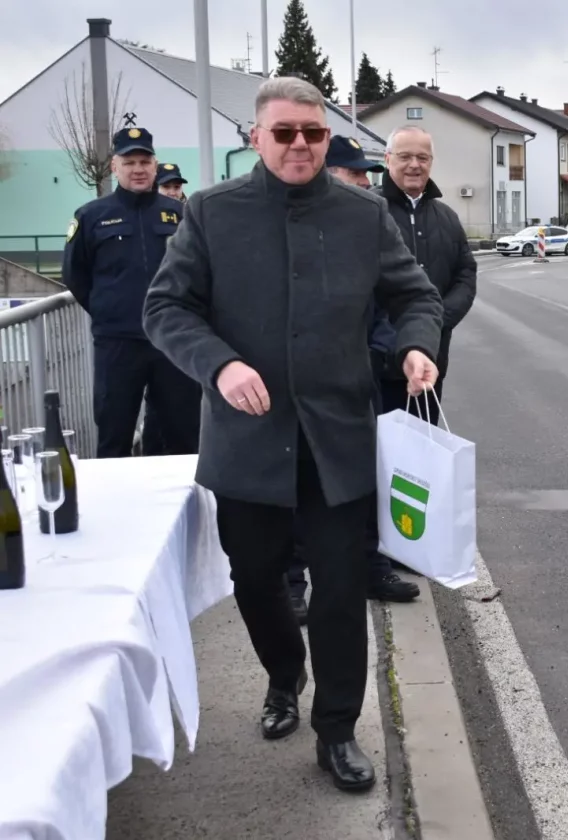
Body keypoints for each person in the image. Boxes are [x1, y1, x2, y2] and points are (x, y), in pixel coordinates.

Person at [143, 77, 445, 792]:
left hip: (338, 440)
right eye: (285, 134)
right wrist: (219, 366)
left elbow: (414, 294)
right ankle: (285, 676)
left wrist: (414, 344)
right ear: (257, 137)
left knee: (341, 591)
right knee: (256, 580)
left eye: (312, 133)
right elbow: (166, 308)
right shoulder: (212, 213)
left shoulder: (362, 215)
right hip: (248, 442)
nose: (302, 145)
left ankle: (336, 730)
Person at [286, 134, 420, 618]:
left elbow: (392, 298)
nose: (365, 181)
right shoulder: (290, 223)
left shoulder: (363, 222)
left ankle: (370, 566)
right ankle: (292, 583)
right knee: (299, 490)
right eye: (355, 172)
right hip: (293, 392)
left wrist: (393, 349)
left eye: (367, 173)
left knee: (364, 482)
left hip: (360, 381)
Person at [61, 127, 202, 458]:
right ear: (115, 166)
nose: (138, 169)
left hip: (172, 341)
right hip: (118, 343)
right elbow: (75, 275)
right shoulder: (91, 216)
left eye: (144, 161)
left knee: (184, 437)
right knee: (114, 435)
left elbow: (199, 270)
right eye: (129, 162)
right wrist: (109, 309)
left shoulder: (180, 215)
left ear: (155, 166)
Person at [374, 125, 477, 423]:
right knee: (374, 459)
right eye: (405, 156)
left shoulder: (446, 217)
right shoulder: (368, 211)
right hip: (376, 368)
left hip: (430, 366)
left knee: (418, 462)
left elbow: (465, 275)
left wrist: (432, 322)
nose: (415, 165)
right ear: (388, 158)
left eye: (423, 157)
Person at [140, 162, 192, 456]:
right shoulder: (148, 216)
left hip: (181, 325)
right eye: (167, 187)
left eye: (176, 186)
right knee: (154, 406)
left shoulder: (190, 216)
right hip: (142, 327)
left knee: (182, 405)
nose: (173, 192)